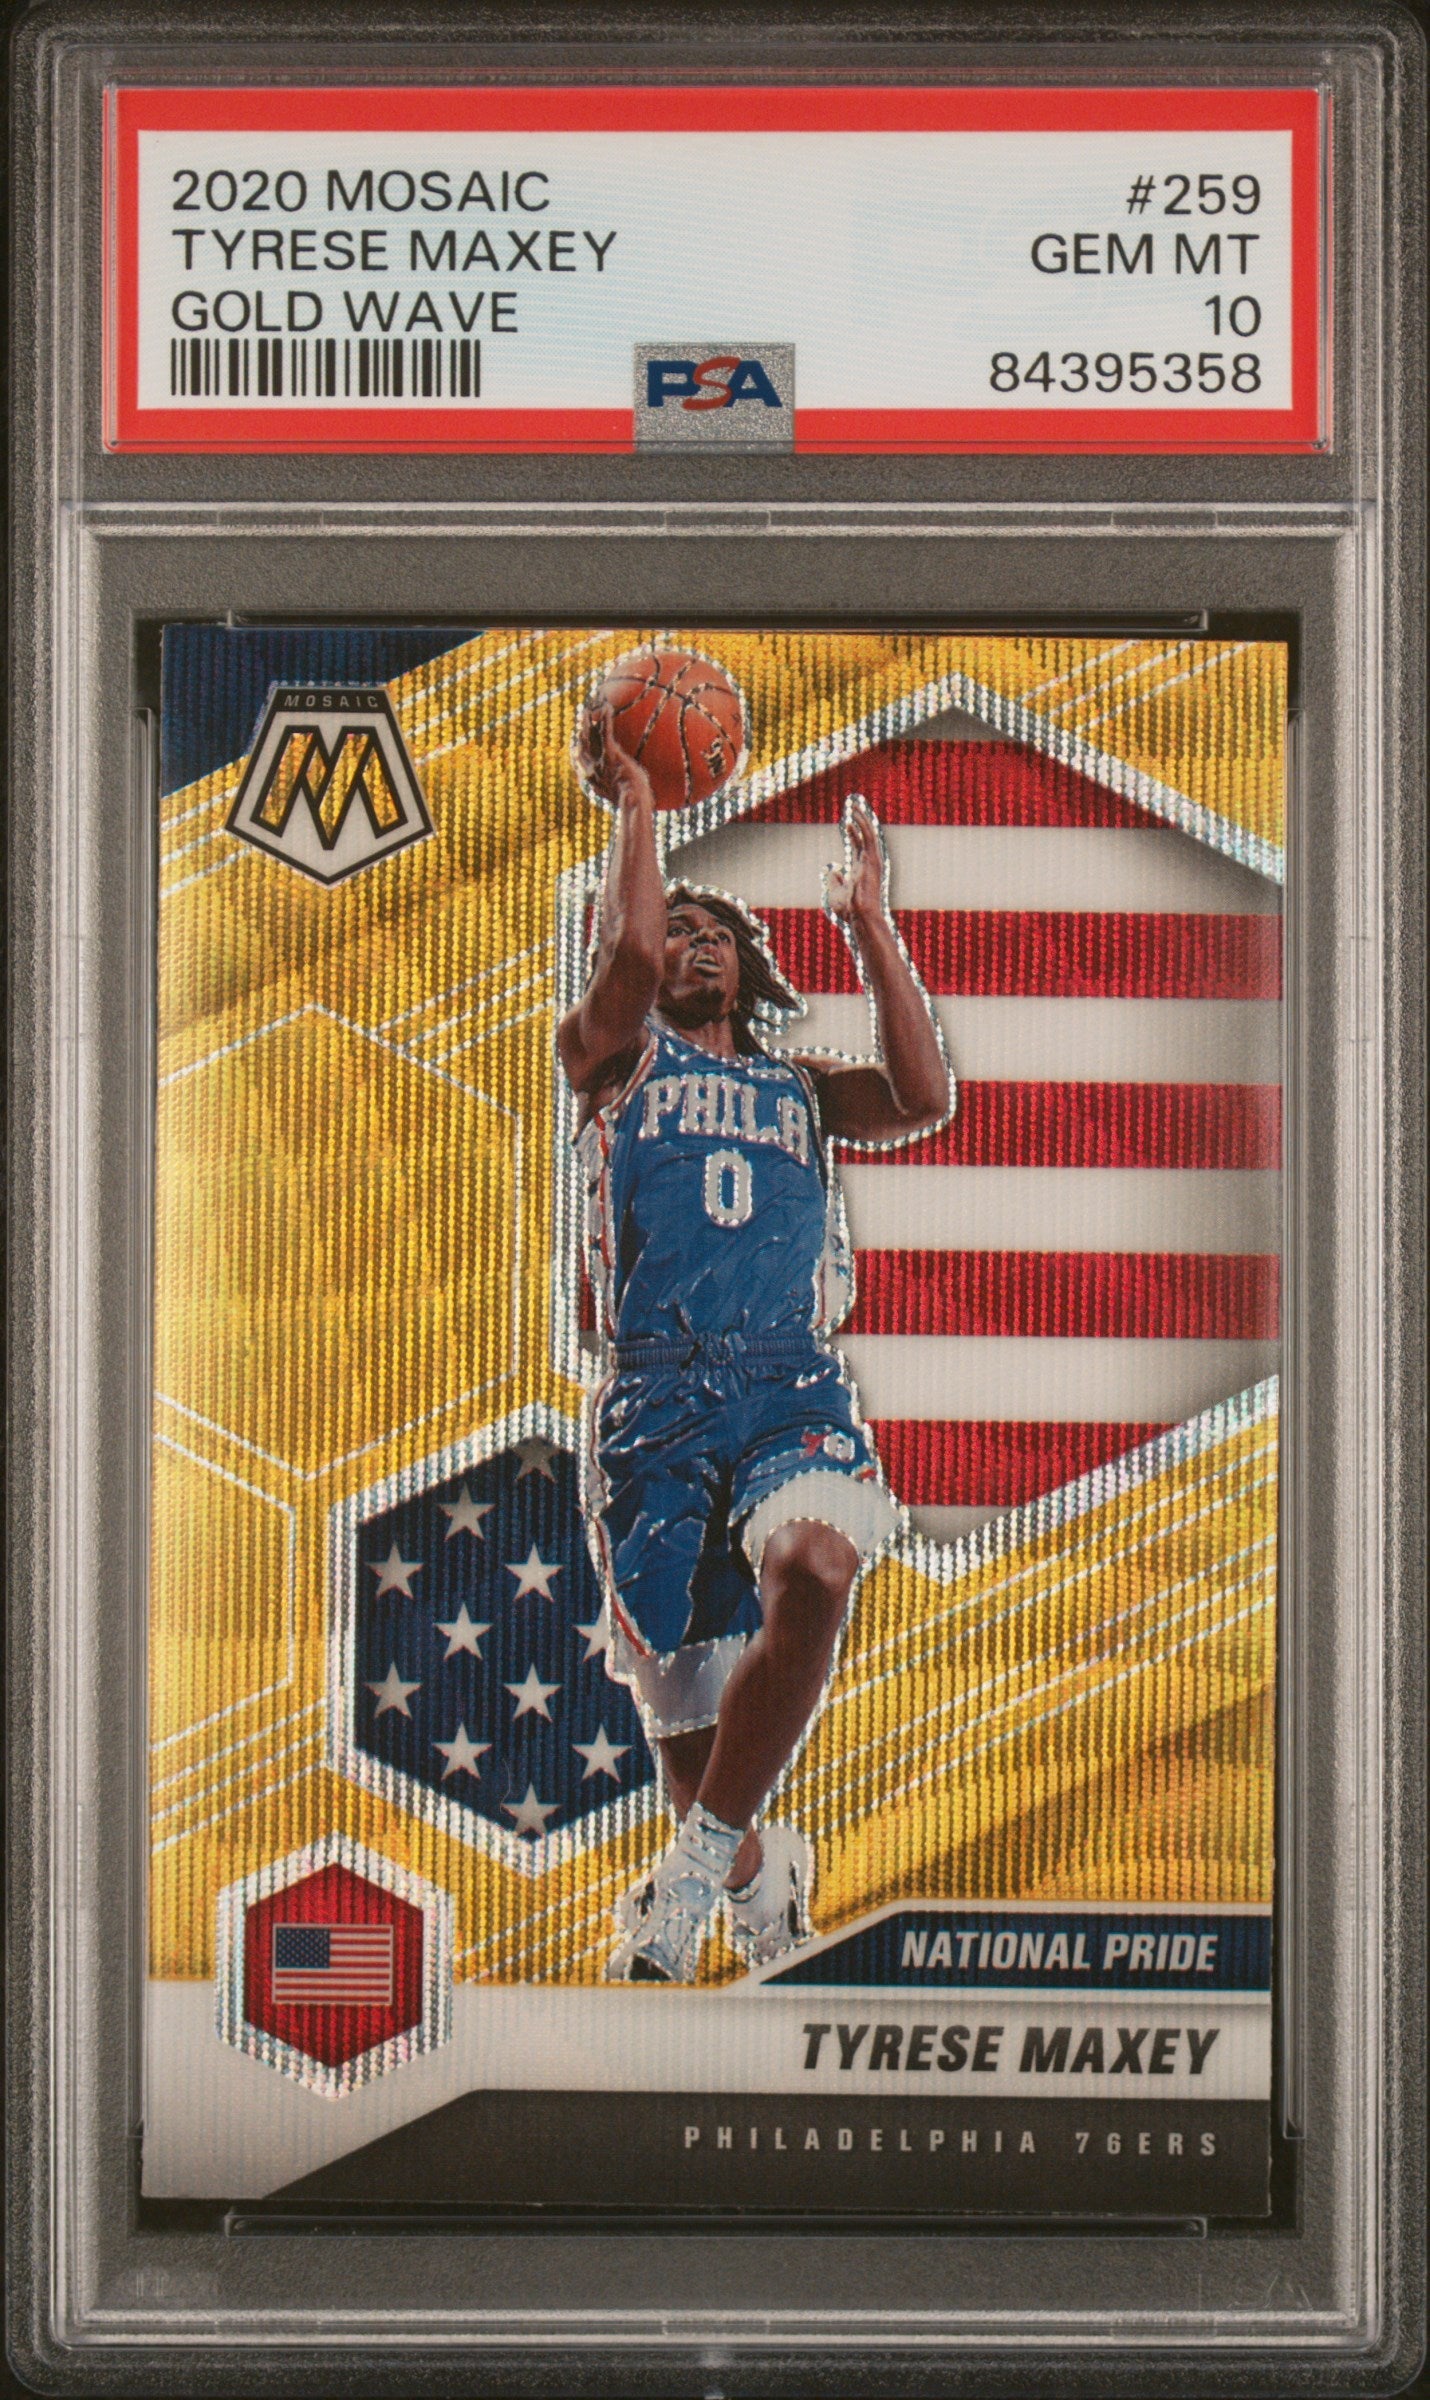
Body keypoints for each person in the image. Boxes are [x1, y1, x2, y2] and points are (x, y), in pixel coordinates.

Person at [558, 700, 952, 1983]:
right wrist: (638, 803)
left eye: (714, 931)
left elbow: (922, 1097)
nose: (690, 941)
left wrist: (868, 921)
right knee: (695, 1746)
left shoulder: (797, 1088)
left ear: (746, 968)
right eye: (674, 927)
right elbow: (623, 956)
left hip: (785, 1382)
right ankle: (738, 1867)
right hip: (655, 1405)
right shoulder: (607, 1059)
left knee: (818, 1568)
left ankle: (684, 1880)